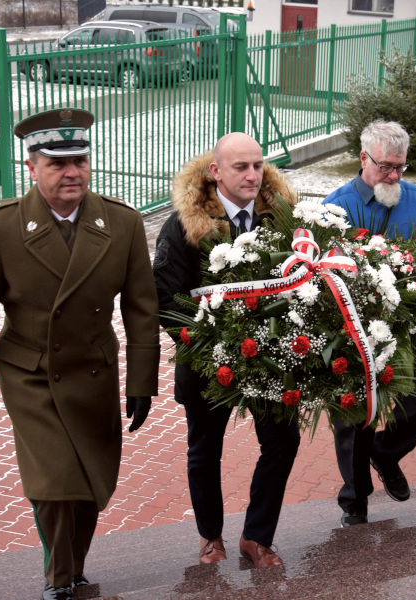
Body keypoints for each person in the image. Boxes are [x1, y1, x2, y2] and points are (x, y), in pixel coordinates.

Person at [0, 108, 161, 600]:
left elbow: (141, 310)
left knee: (89, 485)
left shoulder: (123, 224)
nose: (72, 173)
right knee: (55, 482)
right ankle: (59, 580)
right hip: (32, 374)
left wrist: (140, 383)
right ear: (31, 167)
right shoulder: (0, 226)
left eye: (80, 161)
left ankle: (73, 567)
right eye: (56, 163)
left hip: (93, 371)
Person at [152, 132, 301, 568]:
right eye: (241, 167)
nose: (252, 174)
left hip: (273, 359)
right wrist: (209, 345)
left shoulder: (284, 218)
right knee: (205, 449)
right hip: (205, 361)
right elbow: (165, 297)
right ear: (216, 171)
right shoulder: (184, 223)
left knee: (283, 441)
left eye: (258, 165)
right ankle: (210, 537)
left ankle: (257, 536)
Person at [323, 120, 416, 527]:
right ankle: (354, 501)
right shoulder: (337, 205)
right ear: (363, 158)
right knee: (355, 416)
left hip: (412, 324)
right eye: (386, 166)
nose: (393, 176)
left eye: (400, 167)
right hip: (354, 329)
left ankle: (386, 452)